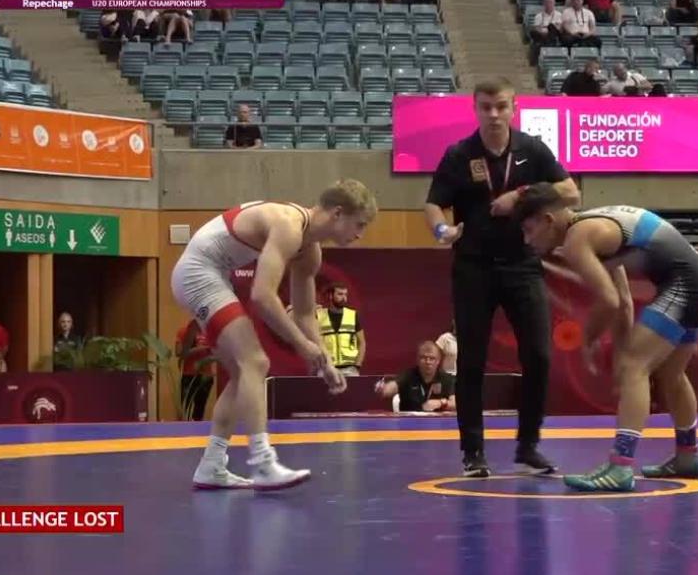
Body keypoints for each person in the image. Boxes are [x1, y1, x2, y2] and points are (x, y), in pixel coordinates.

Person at [171, 180, 378, 490]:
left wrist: (324, 359)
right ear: (337, 213)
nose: (360, 233)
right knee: (255, 362)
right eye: (359, 224)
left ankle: (212, 465)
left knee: (243, 372)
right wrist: (302, 345)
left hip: (214, 274)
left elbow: (305, 313)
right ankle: (262, 463)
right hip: (197, 272)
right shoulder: (288, 225)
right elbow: (262, 296)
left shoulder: (309, 252)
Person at [424, 78, 581, 478]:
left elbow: (570, 192)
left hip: (522, 264)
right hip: (473, 267)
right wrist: (442, 230)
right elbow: (434, 204)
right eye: (486, 107)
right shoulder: (459, 154)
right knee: (471, 361)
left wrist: (522, 195)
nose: (494, 114)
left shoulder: (532, 149)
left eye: (501, 107)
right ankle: (473, 451)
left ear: (514, 108)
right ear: (475, 109)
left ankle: (528, 447)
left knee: (539, 355)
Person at [514, 187, 698, 492]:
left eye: (529, 230)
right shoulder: (597, 226)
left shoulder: (577, 238)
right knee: (670, 374)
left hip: (685, 284)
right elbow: (623, 301)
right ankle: (688, 456)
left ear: (548, 220)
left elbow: (608, 300)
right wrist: (622, 356)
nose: (527, 240)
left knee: (636, 367)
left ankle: (620, 467)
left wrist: (589, 339)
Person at [374, 340, 456, 412]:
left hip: (439, 423)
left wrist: (440, 403)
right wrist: (383, 389)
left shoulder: (446, 379)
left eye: (432, 358)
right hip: (410, 423)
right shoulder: (408, 376)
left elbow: (455, 403)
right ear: (417, 360)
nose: (428, 362)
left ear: (438, 361)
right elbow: (393, 386)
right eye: (424, 358)